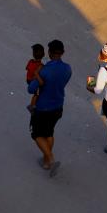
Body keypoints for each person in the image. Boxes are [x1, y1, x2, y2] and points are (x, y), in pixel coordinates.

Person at [27, 39, 71, 177]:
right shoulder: (67, 68)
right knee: (49, 133)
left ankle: (50, 158)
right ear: (62, 53)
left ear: (50, 53)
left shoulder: (44, 70)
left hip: (42, 108)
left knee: (36, 134)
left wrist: (36, 75)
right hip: (58, 106)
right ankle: (46, 161)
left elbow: (31, 89)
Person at [25, 43, 44, 111]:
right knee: (37, 94)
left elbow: (27, 68)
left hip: (28, 79)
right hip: (32, 80)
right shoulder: (41, 66)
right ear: (43, 55)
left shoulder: (30, 61)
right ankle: (32, 106)